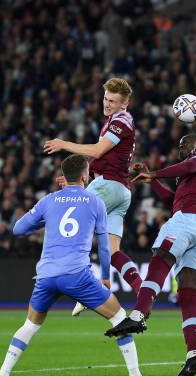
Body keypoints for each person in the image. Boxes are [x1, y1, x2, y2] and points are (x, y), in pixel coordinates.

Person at [0, 155, 160, 376]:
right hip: (77, 275)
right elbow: (103, 245)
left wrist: (47, 219)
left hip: (46, 276)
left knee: (30, 325)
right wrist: (105, 277)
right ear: (84, 176)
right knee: (120, 317)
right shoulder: (95, 202)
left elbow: (18, 229)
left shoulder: (48, 200)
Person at [106, 134, 196, 376]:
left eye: (183, 145)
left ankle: (139, 314)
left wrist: (154, 173)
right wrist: (150, 179)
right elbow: (172, 201)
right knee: (189, 291)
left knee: (160, 260)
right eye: (178, 147)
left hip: (188, 221)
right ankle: (193, 354)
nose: (180, 149)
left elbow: (189, 165)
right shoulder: (189, 177)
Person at [43, 78, 144, 316]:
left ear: (125, 103)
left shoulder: (120, 122)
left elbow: (97, 151)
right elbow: (108, 160)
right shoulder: (117, 120)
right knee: (113, 250)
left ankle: (85, 291)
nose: (107, 104)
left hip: (107, 187)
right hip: (120, 191)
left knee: (71, 232)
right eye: (106, 99)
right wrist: (76, 183)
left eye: (113, 101)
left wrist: (63, 144)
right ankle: (143, 291)